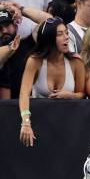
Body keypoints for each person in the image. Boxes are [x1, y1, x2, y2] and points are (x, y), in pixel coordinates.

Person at [18, 17, 85, 147]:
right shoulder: (35, 61)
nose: (66, 37)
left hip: (69, 126)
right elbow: (24, 94)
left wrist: (70, 95)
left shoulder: (76, 62)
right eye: (60, 34)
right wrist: (26, 122)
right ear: (48, 38)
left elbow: (82, 94)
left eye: (66, 32)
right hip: (40, 125)